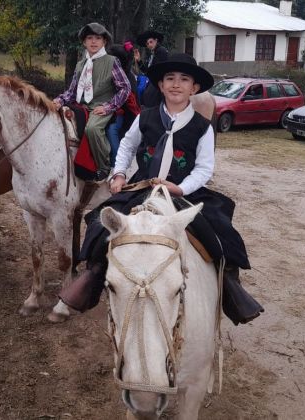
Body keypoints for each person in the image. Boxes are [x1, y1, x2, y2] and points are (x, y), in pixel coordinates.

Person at [57, 53, 264, 325]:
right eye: (170, 79)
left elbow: (204, 168)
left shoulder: (203, 127)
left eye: (184, 79)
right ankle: (94, 275)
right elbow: (128, 147)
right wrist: (119, 174)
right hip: (144, 186)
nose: (176, 84)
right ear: (162, 86)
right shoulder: (146, 117)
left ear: (195, 88)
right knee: (99, 223)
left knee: (221, 232)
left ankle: (229, 286)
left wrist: (180, 188)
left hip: (183, 192)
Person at [53, 22, 131, 182]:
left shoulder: (111, 61)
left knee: (93, 129)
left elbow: (125, 87)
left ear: (104, 42)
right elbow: (72, 91)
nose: (93, 41)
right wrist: (60, 100)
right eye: (90, 38)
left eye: (98, 38)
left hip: (101, 107)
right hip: (82, 106)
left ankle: (105, 167)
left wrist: (108, 106)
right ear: (84, 42)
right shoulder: (81, 64)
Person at [105, 43, 140, 167]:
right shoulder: (110, 72)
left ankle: (116, 163)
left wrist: (110, 107)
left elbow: (130, 103)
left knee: (112, 129)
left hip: (121, 113)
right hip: (107, 109)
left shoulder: (127, 77)